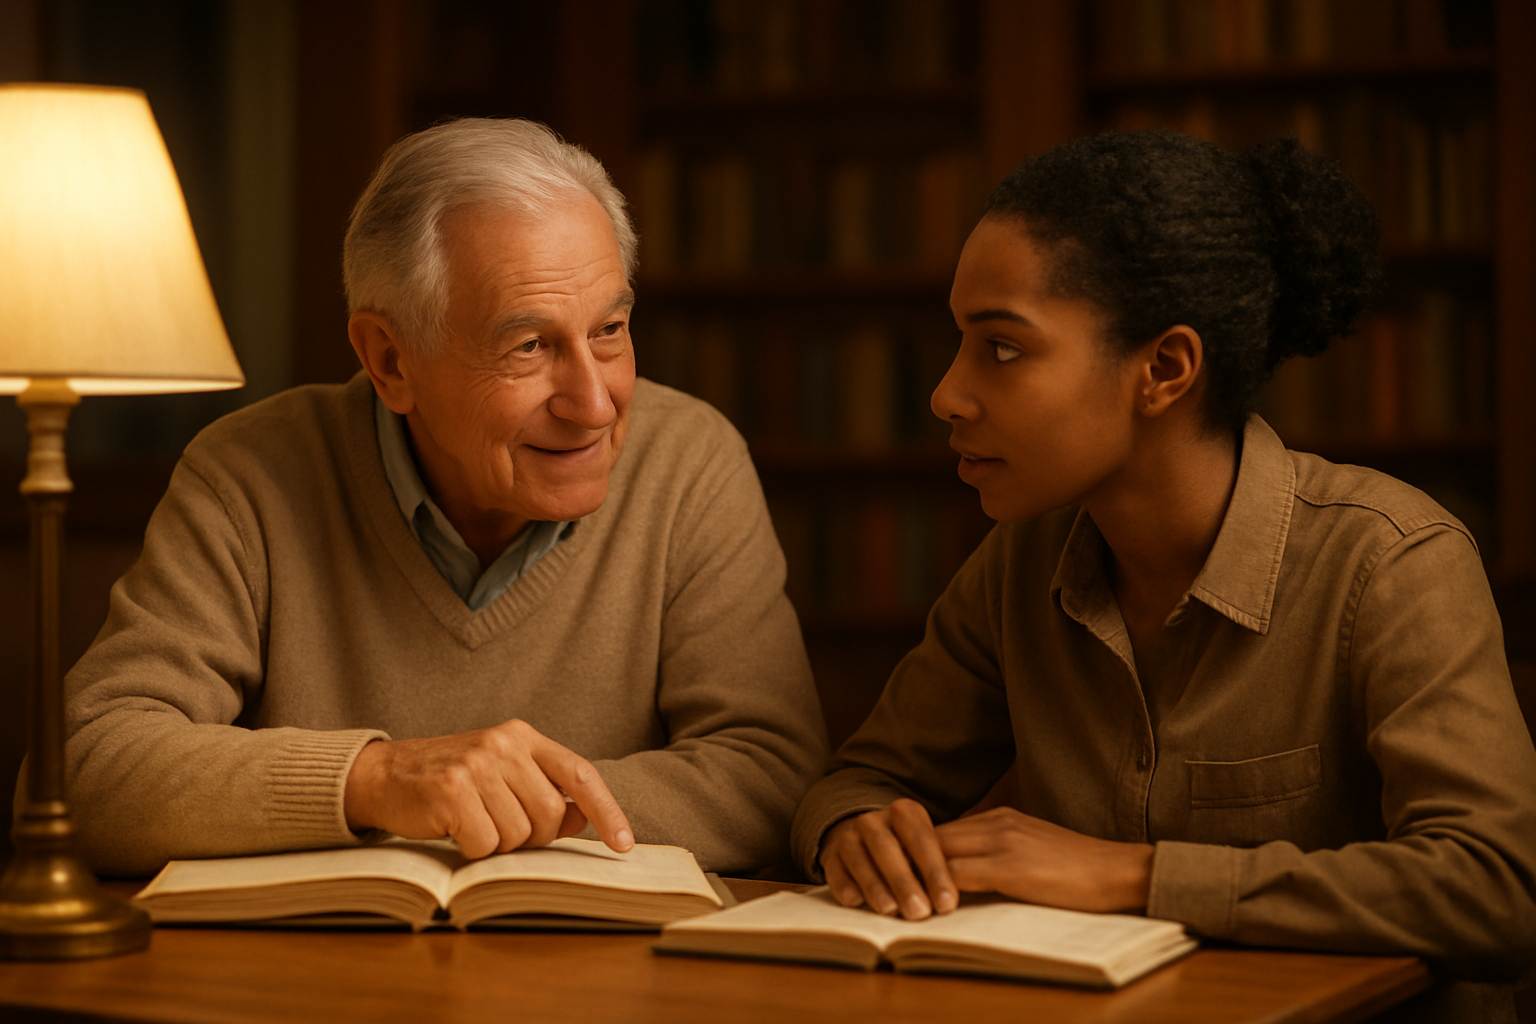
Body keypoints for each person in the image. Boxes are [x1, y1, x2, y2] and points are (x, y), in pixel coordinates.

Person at [791, 132, 1536, 1021]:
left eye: (1002, 348)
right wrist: (857, 830)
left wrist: (1135, 877)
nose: (945, 395)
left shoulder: (1388, 561)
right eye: (960, 342)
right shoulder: (1020, 563)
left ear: (1165, 370)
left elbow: (1495, 889)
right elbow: (861, 780)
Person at [62, 117, 828, 877]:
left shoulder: (690, 463)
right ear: (390, 361)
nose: (595, 404)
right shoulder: (248, 477)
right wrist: (377, 781)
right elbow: (84, 767)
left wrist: (504, 807)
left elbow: (771, 777)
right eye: (529, 346)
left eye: (609, 330)